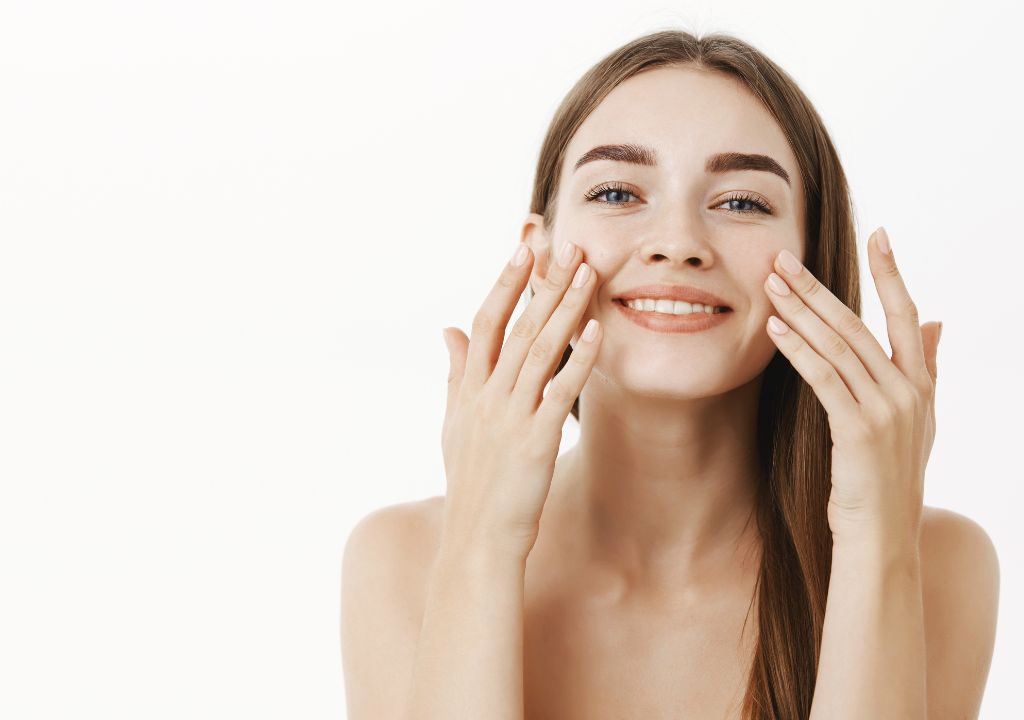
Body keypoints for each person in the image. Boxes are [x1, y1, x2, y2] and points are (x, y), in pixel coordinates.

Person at [341, 29, 999, 720]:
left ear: (814, 258)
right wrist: (482, 545)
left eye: (742, 202)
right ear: (537, 257)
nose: (678, 244)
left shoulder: (938, 562)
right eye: (619, 191)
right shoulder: (402, 559)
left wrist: (873, 538)